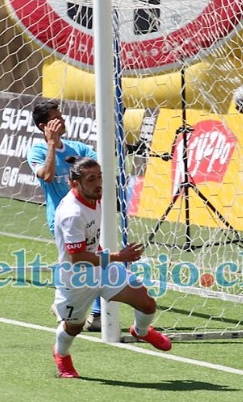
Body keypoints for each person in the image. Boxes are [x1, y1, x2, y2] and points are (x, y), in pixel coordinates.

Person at [52, 156, 171, 378]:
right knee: (73, 328)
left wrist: (111, 257)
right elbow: (77, 258)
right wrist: (119, 256)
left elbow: (90, 242)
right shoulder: (72, 214)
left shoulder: (94, 196)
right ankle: (61, 356)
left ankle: (141, 331)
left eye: (99, 177)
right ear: (74, 183)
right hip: (76, 278)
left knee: (146, 303)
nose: (98, 183)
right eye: (91, 179)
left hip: (103, 269)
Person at [27, 99, 103, 332]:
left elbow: (97, 167)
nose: (62, 119)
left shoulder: (77, 148)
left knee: (96, 262)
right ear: (44, 126)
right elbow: (47, 176)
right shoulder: (37, 151)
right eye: (55, 117)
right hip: (62, 220)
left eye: (61, 114)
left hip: (88, 213)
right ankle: (65, 305)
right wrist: (51, 145)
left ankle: (97, 314)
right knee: (77, 266)